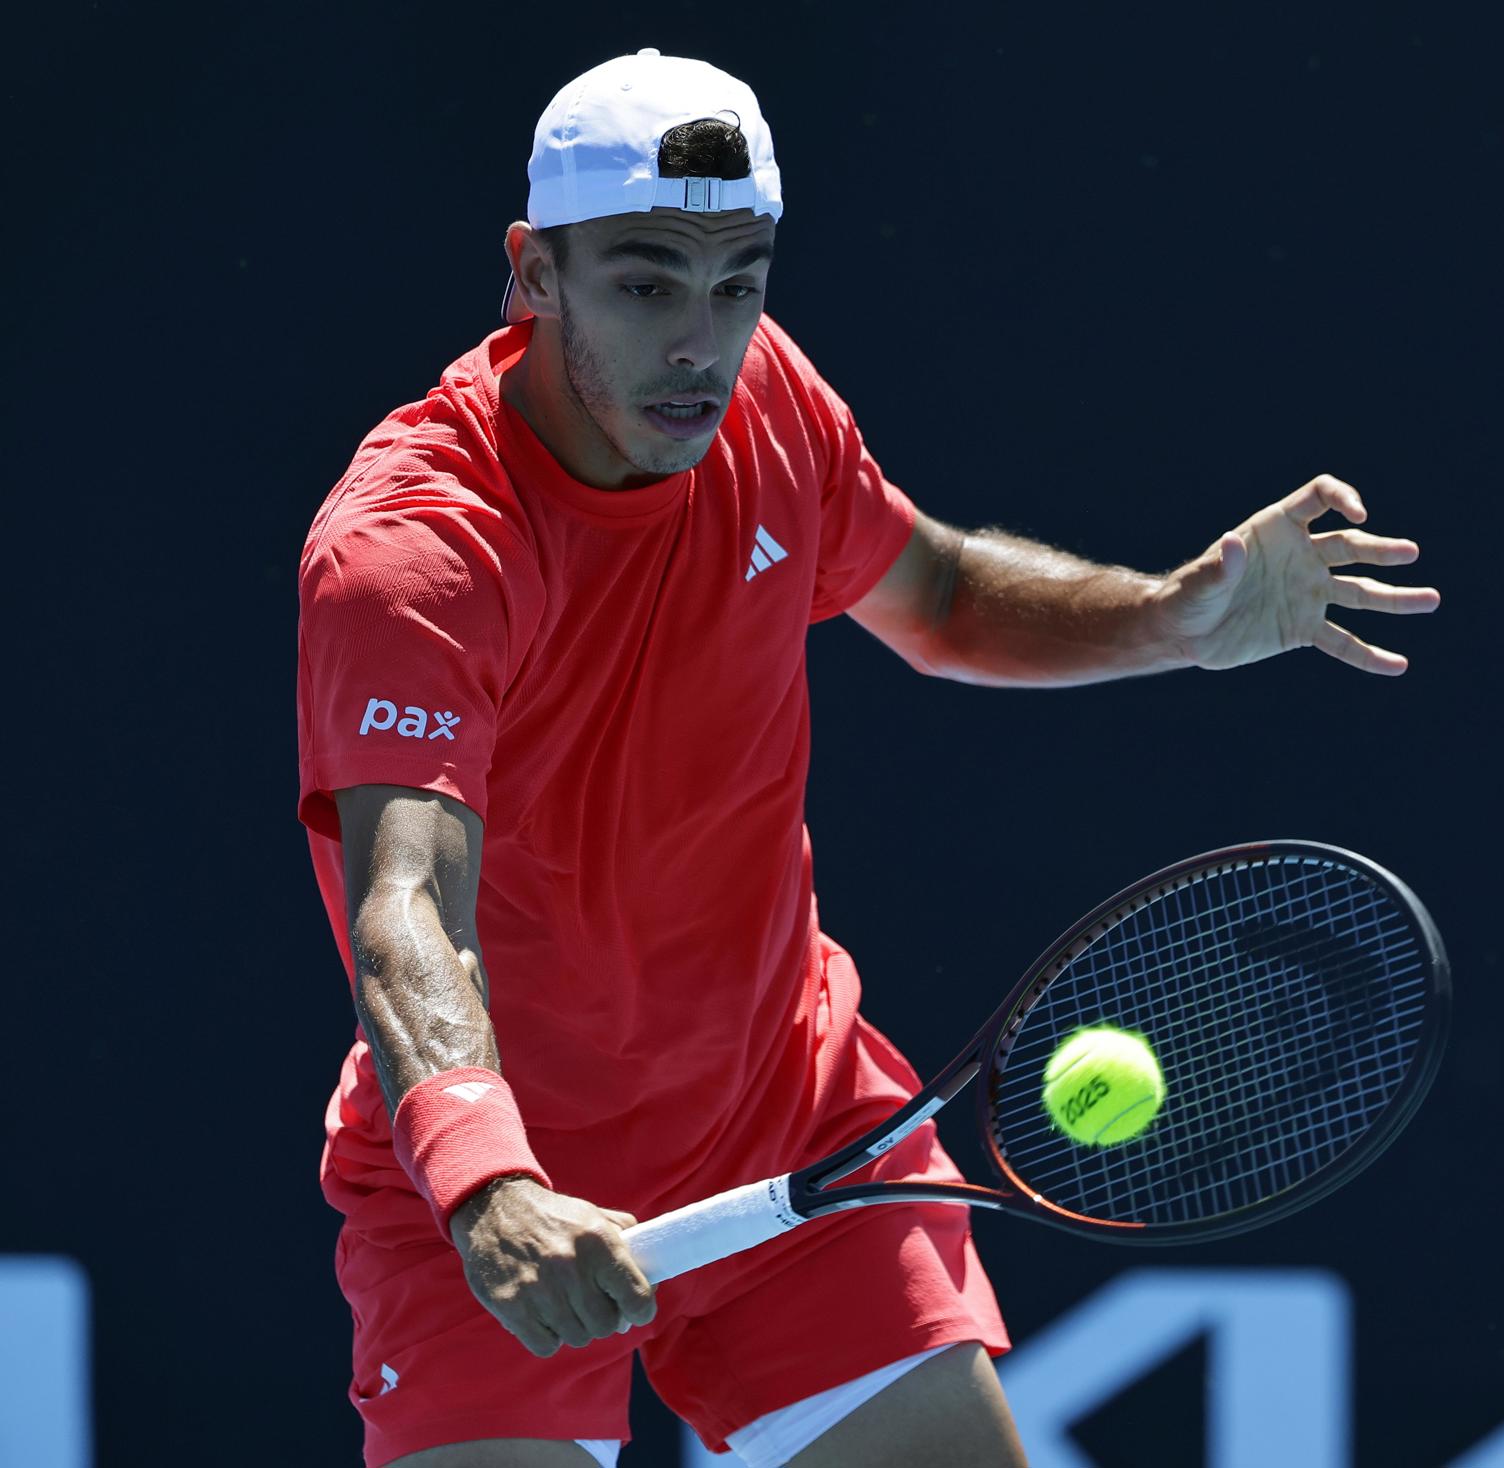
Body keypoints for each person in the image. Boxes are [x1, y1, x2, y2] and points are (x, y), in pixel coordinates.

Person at [295, 46, 1439, 1468]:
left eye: (740, 280)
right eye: (645, 283)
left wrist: (1167, 621)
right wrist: (485, 1183)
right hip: (493, 1179)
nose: (700, 343)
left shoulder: (765, 402)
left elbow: (943, 595)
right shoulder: (416, 552)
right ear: (534, 273)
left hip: (794, 1129)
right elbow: (406, 906)